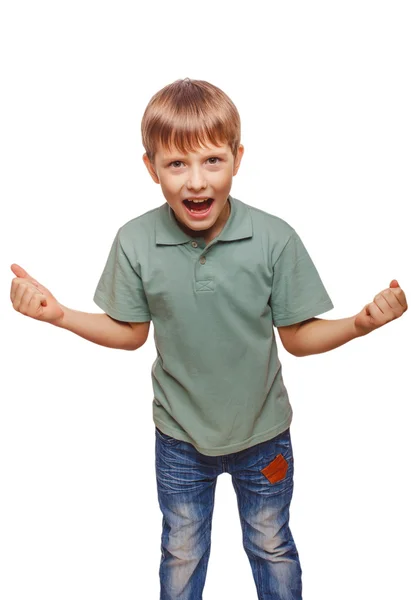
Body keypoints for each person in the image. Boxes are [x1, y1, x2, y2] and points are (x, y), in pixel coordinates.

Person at [10, 78, 408, 600]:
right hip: (179, 440)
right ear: (151, 167)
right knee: (182, 549)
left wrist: (361, 323)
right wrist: (59, 315)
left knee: (272, 545)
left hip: (265, 436)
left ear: (238, 159)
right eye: (176, 164)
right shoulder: (135, 241)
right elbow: (130, 334)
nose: (196, 181)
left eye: (212, 161)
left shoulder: (274, 238)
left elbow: (297, 337)